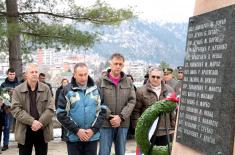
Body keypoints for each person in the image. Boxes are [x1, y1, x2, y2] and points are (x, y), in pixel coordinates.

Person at [57, 63, 107, 155]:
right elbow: (61, 114)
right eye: (80, 75)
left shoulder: (97, 89)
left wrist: (93, 130)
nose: (83, 78)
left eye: (85, 74)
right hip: (73, 137)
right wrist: (77, 130)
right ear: (74, 75)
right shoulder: (66, 91)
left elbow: (103, 111)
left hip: (92, 137)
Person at [97, 53, 136, 155]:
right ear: (110, 64)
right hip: (105, 123)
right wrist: (110, 116)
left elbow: (132, 101)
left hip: (122, 123)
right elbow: (97, 102)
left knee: (121, 152)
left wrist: (121, 117)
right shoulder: (100, 81)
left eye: (120, 64)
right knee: (104, 152)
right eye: (115, 63)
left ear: (123, 65)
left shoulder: (128, 82)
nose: (118, 66)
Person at [11, 64, 54, 155]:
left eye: (36, 72)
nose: (34, 74)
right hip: (24, 130)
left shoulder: (46, 88)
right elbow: (15, 109)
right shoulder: (18, 90)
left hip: (42, 129)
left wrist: (40, 122)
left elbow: (50, 108)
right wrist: (32, 122)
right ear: (26, 75)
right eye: (32, 72)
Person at [132, 67, 176, 146]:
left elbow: (172, 111)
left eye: (158, 77)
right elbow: (136, 112)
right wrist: (137, 128)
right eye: (153, 76)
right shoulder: (140, 91)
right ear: (149, 76)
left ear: (162, 78)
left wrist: (173, 127)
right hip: (147, 131)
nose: (155, 79)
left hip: (165, 131)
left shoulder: (170, 90)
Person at [0, 68, 19, 151]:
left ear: (15, 74)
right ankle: (5, 144)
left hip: (18, 109)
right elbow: (2, 97)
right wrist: (7, 106)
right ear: (8, 74)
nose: (12, 75)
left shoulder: (19, 85)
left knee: (19, 126)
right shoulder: (3, 85)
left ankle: (20, 142)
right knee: (7, 127)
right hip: (7, 109)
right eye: (10, 74)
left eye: (13, 74)